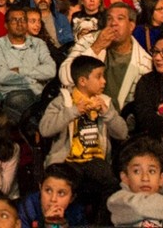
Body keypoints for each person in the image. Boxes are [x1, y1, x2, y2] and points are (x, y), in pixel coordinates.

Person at [39, 55, 127, 210]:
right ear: (82, 81)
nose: (104, 81)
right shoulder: (63, 102)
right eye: (98, 77)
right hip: (67, 160)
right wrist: (73, 111)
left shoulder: (105, 101)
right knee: (66, 183)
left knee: (111, 182)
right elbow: (45, 129)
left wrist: (107, 113)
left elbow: (122, 133)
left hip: (95, 160)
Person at [59, 2, 152, 111]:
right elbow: (65, 77)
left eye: (120, 18)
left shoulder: (144, 63)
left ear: (131, 26)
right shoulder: (88, 41)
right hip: (79, 113)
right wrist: (96, 48)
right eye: (109, 18)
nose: (113, 23)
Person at [0, 5, 55, 120]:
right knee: (30, 107)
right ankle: (41, 132)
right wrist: (37, 76)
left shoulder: (38, 43)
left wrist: (21, 70)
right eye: (15, 20)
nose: (20, 24)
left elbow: (51, 70)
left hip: (40, 92)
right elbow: (3, 77)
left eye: (23, 20)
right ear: (6, 25)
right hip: (14, 93)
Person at [16, 162, 87, 228]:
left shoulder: (77, 213)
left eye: (61, 193)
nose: (53, 199)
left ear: (72, 198)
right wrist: (45, 223)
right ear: (40, 188)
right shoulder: (27, 208)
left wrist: (60, 224)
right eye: (48, 191)